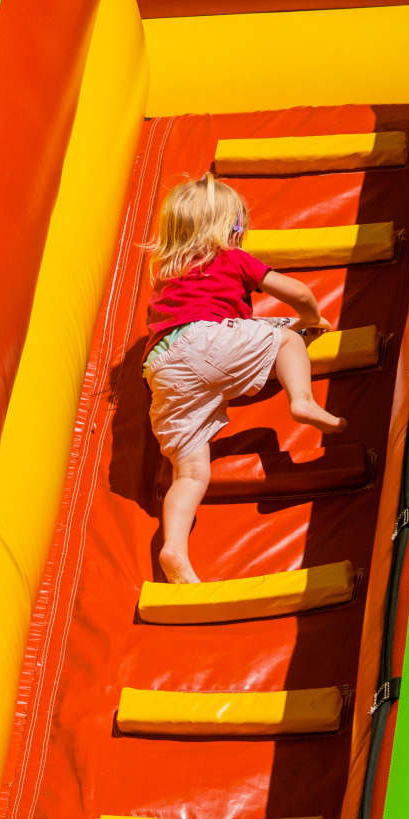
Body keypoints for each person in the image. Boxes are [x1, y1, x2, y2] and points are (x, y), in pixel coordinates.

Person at [142, 174, 346, 585]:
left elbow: (190, 329)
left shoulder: (167, 275)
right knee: (287, 340)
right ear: (230, 228)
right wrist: (310, 319)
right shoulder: (230, 257)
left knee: (190, 472)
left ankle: (174, 547)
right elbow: (298, 293)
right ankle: (302, 401)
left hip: (160, 366)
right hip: (205, 342)